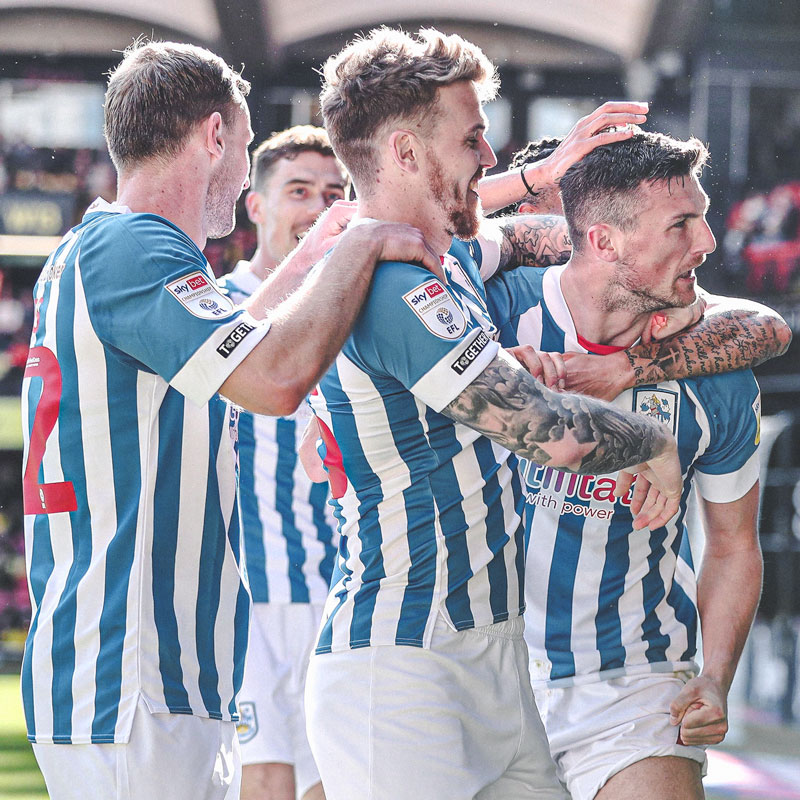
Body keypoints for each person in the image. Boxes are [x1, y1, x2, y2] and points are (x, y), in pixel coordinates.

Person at [19, 40, 443, 800]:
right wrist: (360, 243)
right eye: (246, 148)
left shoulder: (99, 248)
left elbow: (239, 335)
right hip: (133, 674)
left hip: (140, 674)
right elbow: (273, 376)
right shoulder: (136, 247)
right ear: (215, 137)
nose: (244, 171)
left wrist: (314, 251)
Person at [303, 27, 684, 800]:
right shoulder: (391, 286)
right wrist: (653, 441)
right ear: (406, 153)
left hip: (495, 659)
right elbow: (547, 432)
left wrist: (647, 264)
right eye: (472, 136)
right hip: (404, 670)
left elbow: (529, 237)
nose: (488, 155)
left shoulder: (447, 255)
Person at [484, 130, 791, 800]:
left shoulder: (718, 372)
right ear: (602, 240)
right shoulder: (494, 316)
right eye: (681, 224)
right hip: (477, 677)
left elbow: (735, 546)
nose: (708, 242)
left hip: (630, 684)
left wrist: (714, 675)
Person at [218, 126, 348, 800]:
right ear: (255, 206)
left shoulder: (355, 312)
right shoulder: (216, 309)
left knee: (339, 778)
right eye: (299, 192)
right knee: (265, 776)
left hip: (346, 590)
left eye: (333, 194)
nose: (319, 208)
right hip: (249, 594)